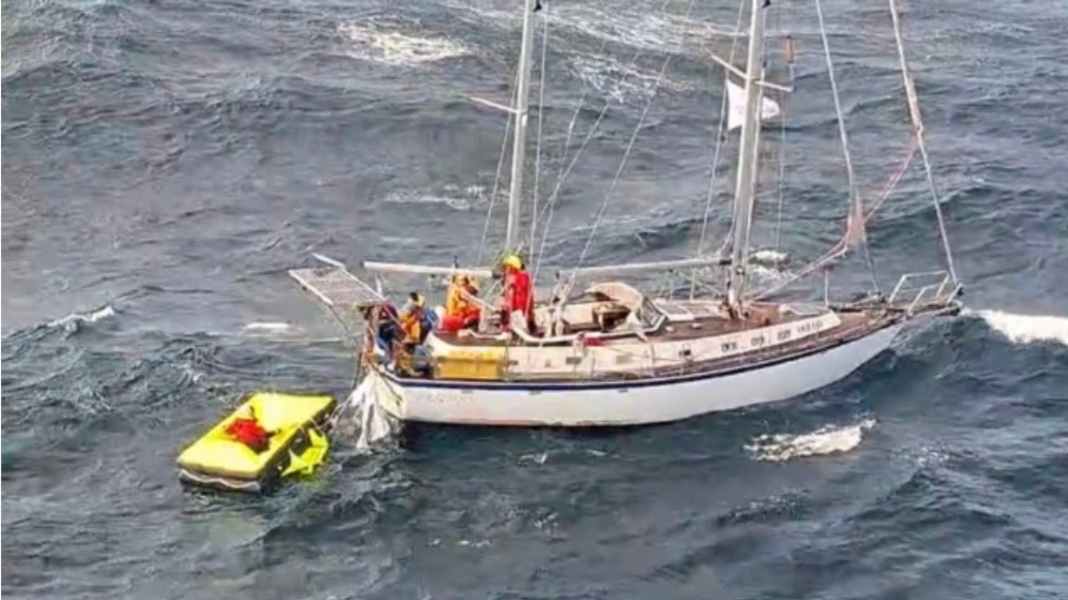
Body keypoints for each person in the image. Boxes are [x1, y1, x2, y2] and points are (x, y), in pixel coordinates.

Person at [501, 254, 534, 332]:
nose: (505, 269)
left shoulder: (520, 277)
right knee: (505, 313)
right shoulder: (509, 277)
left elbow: (521, 295)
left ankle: (512, 328)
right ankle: (506, 327)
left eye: (507, 267)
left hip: (517, 307)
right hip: (512, 306)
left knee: (518, 321)